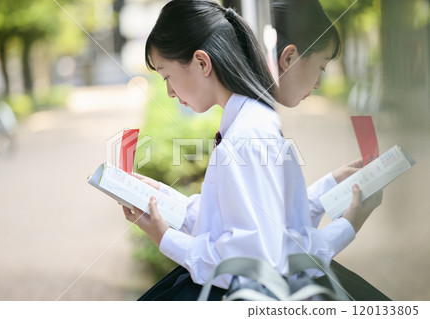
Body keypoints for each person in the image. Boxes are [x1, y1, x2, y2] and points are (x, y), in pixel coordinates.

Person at [123, 0, 381, 301]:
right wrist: (162, 200)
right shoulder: (249, 124)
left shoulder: (249, 132)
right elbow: (252, 219)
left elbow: (253, 261)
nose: (168, 91)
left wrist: (166, 238)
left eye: (167, 76)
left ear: (202, 63)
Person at [270, 0, 390, 300]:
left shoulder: (258, 120)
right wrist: (352, 220)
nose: (319, 83)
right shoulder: (259, 131)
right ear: (289, 57)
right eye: (320, 67)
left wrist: (331, 182)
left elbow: (283, 220)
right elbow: (291, 252)